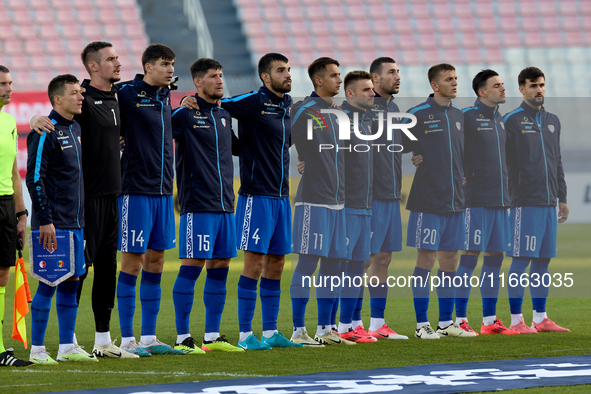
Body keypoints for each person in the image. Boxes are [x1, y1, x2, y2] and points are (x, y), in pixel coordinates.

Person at [183, 53, 301, 350]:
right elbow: (216, 105)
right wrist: (189, 100)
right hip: (255, 195)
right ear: (265, 77)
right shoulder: (253, 100)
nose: (287, 74)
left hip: (281, 196)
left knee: (277, 263)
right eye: (280, 70)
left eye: (288, 69)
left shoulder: (287, 105)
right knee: (255, 263)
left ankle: (271, 332)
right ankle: (247, 335)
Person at [30, 42, 138, 358]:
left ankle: (101, 341)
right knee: (65, 276)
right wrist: (38, 116)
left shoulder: (119, 98)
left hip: (110, 198)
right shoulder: (83, 102)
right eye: (111, 59)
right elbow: (53, 113)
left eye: (118, 57)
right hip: (79, 205)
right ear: (93, 66)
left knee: (104, 270)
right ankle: (61, 342)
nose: (118, 63)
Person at [170, 58, 242, 353]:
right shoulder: (185, 115)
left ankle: (212, 335)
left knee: (221, 265)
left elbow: (240, 148)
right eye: (213, 76)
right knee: (192, 265)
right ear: (198, 82)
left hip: (226, 204)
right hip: (198, 204)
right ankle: (182, 337)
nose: (220, 80)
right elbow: (157, 135)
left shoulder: (224, 115)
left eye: (221, 75)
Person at [116, 44, 184, 355]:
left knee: (156, 261)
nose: (171, 69)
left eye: (172, 64)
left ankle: (148, 338)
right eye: (165, 64)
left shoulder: (165, 96)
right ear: (148, 66)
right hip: (135, 191)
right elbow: (91, 100)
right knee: (132, 262)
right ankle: (126, 338)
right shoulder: (127, 92)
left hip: (162, 193)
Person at [27, 74, 97, 363]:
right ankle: (38, 349)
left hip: (76, 224)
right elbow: (34, 177)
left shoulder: (76, 127)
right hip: (53, 225)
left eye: (81, 92)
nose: (81, 97)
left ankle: (67, 346)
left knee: (72, 282)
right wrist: (45, 218)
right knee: (49, 282)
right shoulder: (45, 131)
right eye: (74, 93)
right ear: (57, 99)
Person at [403, 64, 473, 339]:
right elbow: (394, 143)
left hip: (456, 200)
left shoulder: (459, 115)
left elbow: (463, 151)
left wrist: (465, 174)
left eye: (456, 78)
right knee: (427, 259)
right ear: (434, 85)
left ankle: (446, 323)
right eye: (448, 79)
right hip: (427, 200)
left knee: (451, 259)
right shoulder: (417, 114)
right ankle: (422, 325)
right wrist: (415, 153)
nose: (455, 83)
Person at [290, 57, 352, 346]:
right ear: (318, 80)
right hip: (313, 200)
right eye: (334, 75)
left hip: (338, 202)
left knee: (334, 268)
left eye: (340, 75)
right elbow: (279, 136)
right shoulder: (304, 109)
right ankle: (298, 331)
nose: (340, 80)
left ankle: (326, 329)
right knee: (307, 265)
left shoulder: (337, 113)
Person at [504, 67, 570, 333]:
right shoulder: (511, 120)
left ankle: (540, 318)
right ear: (522, 89)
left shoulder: (553, 120)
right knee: (522, 260)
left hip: (547, 203)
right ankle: (516, 320)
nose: (539, 90)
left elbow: (557, 161)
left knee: (543, 262)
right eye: (533, 86)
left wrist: (562, 197)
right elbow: (500, 159)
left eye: (541, 85)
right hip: (524, 202)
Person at [454, 70, 518, 336]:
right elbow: (449, 147)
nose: (503, 89)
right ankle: (458, 319)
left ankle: (490, 320)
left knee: (495, 258)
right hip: (476, 200)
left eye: (503, 84)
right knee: (469, 256)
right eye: (497, 85)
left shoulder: (500, 118)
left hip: (500, 201)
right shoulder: (467, 116)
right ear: (482, 91)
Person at [365, 57, 408, 339]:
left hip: (391, 196)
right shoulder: (361, 109)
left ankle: (377, 324)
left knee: (384, 259)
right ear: (375, 78)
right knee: (363, 260)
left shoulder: (395, 110)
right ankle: (347, 324)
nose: (397, 76)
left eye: (398, 72)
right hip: (369, 198)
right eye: (391, 72)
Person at [334, 71, 377, 344]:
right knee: (342, 268)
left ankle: (350, 325)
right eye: (366, 90)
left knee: (358, 267)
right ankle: (335, 326)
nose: (373, 94)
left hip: (366, 204)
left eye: (372, 89)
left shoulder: (370, 121)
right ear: (350, 93)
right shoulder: (338, 118)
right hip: (345, 205)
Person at [0, 66, 34, 367]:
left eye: (9, 83)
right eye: (2, 84)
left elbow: (13, 172)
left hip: (5, 204)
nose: (8, 89)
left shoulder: (9, 121)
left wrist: (21, 213)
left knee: (2, 274)